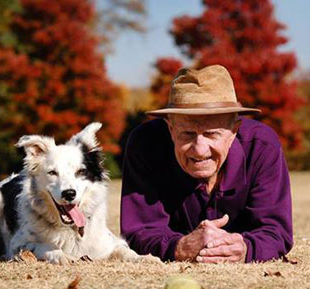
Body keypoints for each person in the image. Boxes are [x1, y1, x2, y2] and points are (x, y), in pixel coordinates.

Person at [120, 65, 293, 263]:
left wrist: (245, 248)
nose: (200, 149)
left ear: (234, 130)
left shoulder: (263, 147)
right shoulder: (144, 144)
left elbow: (276, 232)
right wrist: (179, 247)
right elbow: (139, 232)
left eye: (211, 134)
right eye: (187, 134)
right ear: (170, 128)